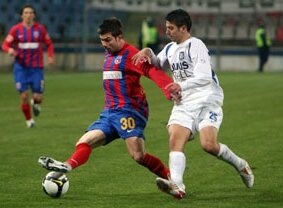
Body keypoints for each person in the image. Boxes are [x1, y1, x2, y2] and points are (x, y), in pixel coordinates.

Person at [38, 18, 178, 188]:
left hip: (129, 111)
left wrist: (168, 87)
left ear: (120, 37)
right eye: (102, 40)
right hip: (109, 112)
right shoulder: (109, 53)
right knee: (84, 142)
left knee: (138, 156)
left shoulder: (132, 55)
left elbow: (153, 72)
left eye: (108, 40)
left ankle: (173, 179)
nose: (104, 44)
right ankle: (65, 167)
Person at [132, 9, 254, 199]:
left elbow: (204, 77)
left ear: (183, 28)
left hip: (207, 100)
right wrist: (148, 52)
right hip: (184, 102)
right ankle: (178, 186)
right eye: (166, 28)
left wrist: (180, 85)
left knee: (209, 145)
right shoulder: (171, 48)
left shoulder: (196, 45)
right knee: (174, 139)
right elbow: (157, 63)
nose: (167, 32)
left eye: (171, 28)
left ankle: (241, 165)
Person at [1, 4, 54, 128]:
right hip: (21, 68)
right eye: (26, 13)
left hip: (36, 68)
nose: (28, 15)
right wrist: (9, 50)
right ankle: (29, 121)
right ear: (21, 15)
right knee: (24, 96)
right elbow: (5, 45)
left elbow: (49, 44)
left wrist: (51, 57)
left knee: (38, 97)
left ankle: (36, 103)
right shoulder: (16, 30)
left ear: (34, 15)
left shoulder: (40, 29)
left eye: (31, 13)